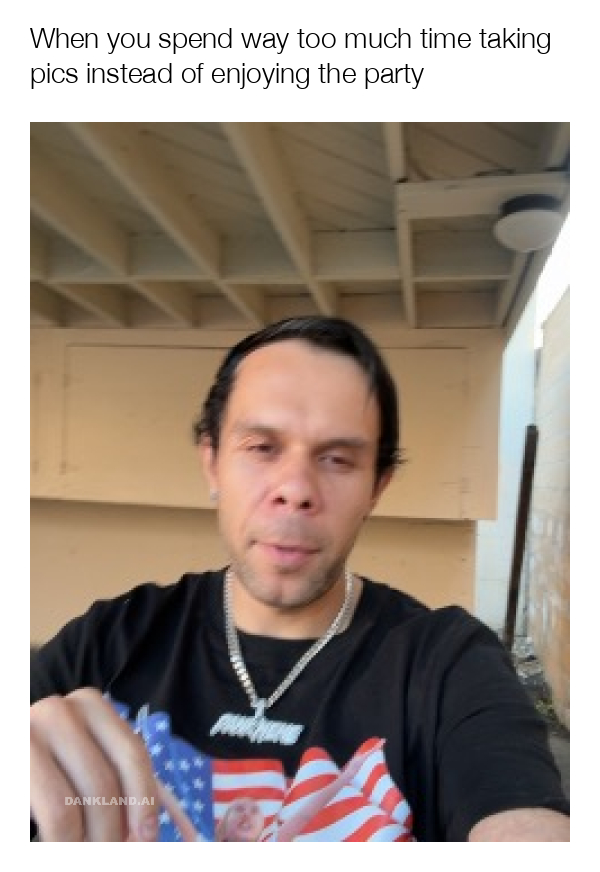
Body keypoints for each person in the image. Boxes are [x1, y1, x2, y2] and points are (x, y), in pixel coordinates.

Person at [30, 316, 569, 842]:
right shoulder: (110, 640)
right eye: (261, 448)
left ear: (377, 487)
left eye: (337, 459)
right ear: (212, 463)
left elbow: (522, 824)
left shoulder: (446, 664)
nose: (296, 490)